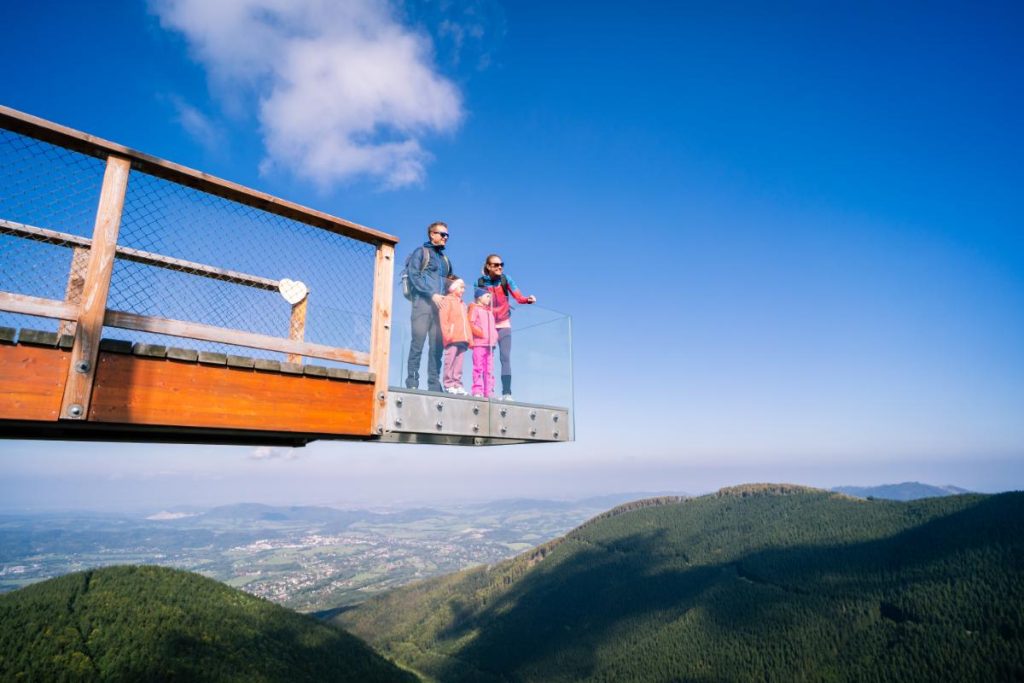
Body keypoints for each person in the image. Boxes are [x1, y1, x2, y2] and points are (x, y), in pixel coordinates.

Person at [475, 254, 536, 401]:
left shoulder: (505, 279)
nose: (500, 267)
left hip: (503, 323)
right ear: (488, 267)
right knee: (485, 358)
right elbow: (478, 303)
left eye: (501, 264)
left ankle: (507, 393)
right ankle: (485, 391)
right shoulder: (480, 282)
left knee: (505, 357)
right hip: (488, 323)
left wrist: (527, 299)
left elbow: (518, 296)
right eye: (496, 265)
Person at [404, 221, 453, 392]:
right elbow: (413, 276)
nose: (445, 238)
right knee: (417, 344)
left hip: (439, 309)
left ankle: (434, 384)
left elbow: (450, 282)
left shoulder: (445, 260)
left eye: (447, 235)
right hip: (422, 305)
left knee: (436, 348)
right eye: (442, 234)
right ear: (432, 234)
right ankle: (412, 383)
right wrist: (431, 294)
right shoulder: (421, 252)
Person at [438, 276, 471, 395]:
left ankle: (457, 383)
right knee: (450, 361)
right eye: (461, 287)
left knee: (459, 364)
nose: (463, 290)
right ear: (453, 287)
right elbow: (444, 319)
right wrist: (447, 335)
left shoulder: (463, 304)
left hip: (462, 338)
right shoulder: (447, 300)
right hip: (452, 338)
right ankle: (448, 383)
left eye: (464, 288)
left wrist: (469, 338)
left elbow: (466, 322)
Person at [468, 287, 498, 398]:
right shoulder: (474, 308)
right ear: (480, 297)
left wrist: (494, 336)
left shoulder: (489, 312)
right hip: (479, 344)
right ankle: (477, 391)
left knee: (489, 369)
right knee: (478, 367)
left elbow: (493, 327)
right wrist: (481, 333)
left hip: (490, 346)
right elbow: (471, 323)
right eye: (487, 296)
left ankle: (489, 391)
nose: (489, 299)